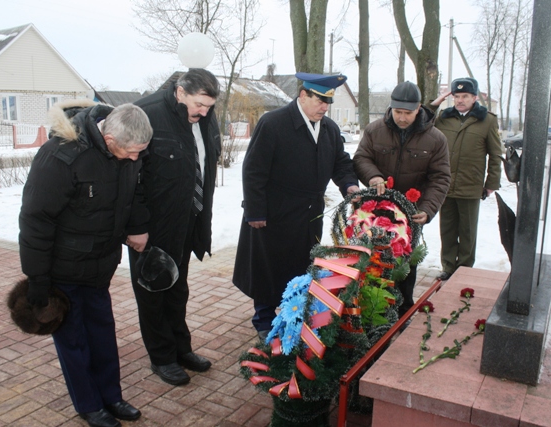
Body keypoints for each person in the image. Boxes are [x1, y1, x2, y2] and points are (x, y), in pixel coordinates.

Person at [19, 101, 152, 427]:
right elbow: (35, 221)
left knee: (103, 335)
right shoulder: (60, 157)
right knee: (74, 341)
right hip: (61, 271)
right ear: (109, 141)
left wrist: (137, 224)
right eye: (132, 152)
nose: (137, 158)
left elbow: (130, 195)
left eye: (140, 152)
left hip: (99, 267)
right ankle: (89, 404)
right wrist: (37, 280)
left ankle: (111, 396)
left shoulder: (126, 152)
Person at [233, 72, 360, 340]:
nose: (324, 107)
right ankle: (264, 319)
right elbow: (253, 170)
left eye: (328, 102)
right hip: (274, 214)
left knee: (301, 267)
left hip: (309, 215)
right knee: (269, 268)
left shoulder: (329, 129)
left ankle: (294, 313)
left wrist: (349, 185)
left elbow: (340, 163)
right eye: (319, 100)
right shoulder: (273, 123)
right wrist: (255, 210)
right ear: (303, 95)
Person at [129, 68, 221, 386]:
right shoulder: (147, 114)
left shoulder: (204, 118)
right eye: (199, 104)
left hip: (187, 222)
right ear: (180, 92)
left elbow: (204, 170)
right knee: (153, 294)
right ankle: (162, 357)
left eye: (209, 106)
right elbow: (129, 179)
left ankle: (181, 349)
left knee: (177, 290)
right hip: (152, 229)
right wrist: (136, 226)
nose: (204, 112)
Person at [353, 81, 451, 316]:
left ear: (419, 109)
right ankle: (368, 307)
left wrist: (427, 209)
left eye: (408, 113)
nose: (402, 118)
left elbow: (440, 178)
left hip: (410, 214)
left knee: (405, 263)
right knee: (371, 258)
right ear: (391, 107)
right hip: (375, 210)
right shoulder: (375, 130)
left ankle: (403, 307)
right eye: (398, 112)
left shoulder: (436, 139)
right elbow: (361, 158)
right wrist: (374, 177)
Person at [429, 78, 503, 281]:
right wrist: (434, 104)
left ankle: (464, 269)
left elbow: (496, 154)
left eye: (465, 96)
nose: (460, 100)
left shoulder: (487, 120)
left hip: (470, 184)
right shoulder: (444, 117)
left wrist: (491, 183)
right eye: (457, 96)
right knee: (447, 229)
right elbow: (422, 121)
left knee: (468, 230)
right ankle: (448, 266)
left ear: (474, 98)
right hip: (445, 184)